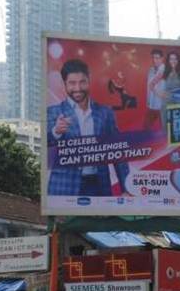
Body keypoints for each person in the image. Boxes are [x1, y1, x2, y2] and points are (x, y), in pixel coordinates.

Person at [46, 59, 130, 197]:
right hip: (63, 188)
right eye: (72, 83)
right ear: (64, 84)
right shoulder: (53, 112)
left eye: (82, 82)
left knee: (101, 219)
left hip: (99, 186)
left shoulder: (105, 113)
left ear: (89, 81)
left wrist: (126, 188)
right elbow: (46, 145)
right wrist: (56, 132)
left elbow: (118, 152)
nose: (78, 88)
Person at [143, 48, 167, 130]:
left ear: (162, 58)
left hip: (162, 105)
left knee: (164, 128)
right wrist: (148, 100)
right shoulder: (151, 70)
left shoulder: (165, 69)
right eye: (153, 58)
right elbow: (149, 86)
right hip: (152, 104)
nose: (154, 60)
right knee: (146, 126)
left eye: (157, 58)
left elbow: (153, 85)